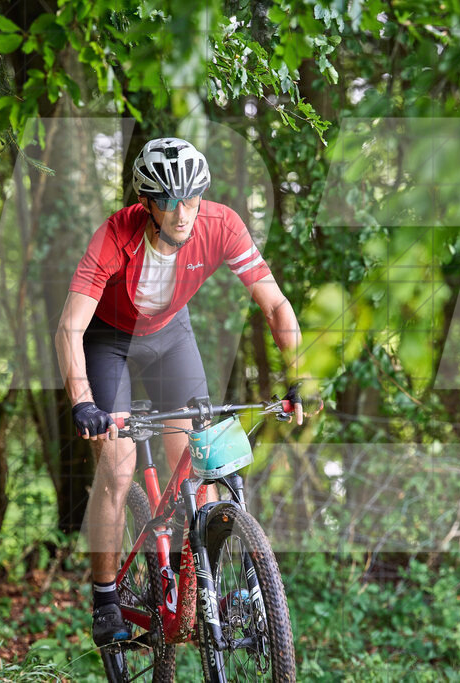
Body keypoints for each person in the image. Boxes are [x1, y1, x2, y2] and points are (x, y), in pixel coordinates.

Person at [54, 137, 307, 646]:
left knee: (200, 457)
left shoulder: (221, 225)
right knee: (118, 465)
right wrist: (83, 401)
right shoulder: (113, 236)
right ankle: (105, 596)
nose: (183, 213)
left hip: (171, 335)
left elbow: (277, 307)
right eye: (169, 201)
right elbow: (70, 328)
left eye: (191, 199)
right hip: (111, 341)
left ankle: (205, 580)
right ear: (146, 203)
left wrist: (299, 376)